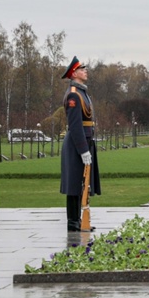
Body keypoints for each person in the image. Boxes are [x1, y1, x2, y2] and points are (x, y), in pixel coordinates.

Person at [60, 56, 100, 235]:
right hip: (78, 143)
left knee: (81, 183)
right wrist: (83, 150)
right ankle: (73, 221)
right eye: (82, 69)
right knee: (74, 184)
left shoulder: (82, 92)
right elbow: (75, 125)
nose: (86, 71)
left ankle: (78, 220)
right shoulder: (74, 95)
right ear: (74, 73)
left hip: (85, 140)